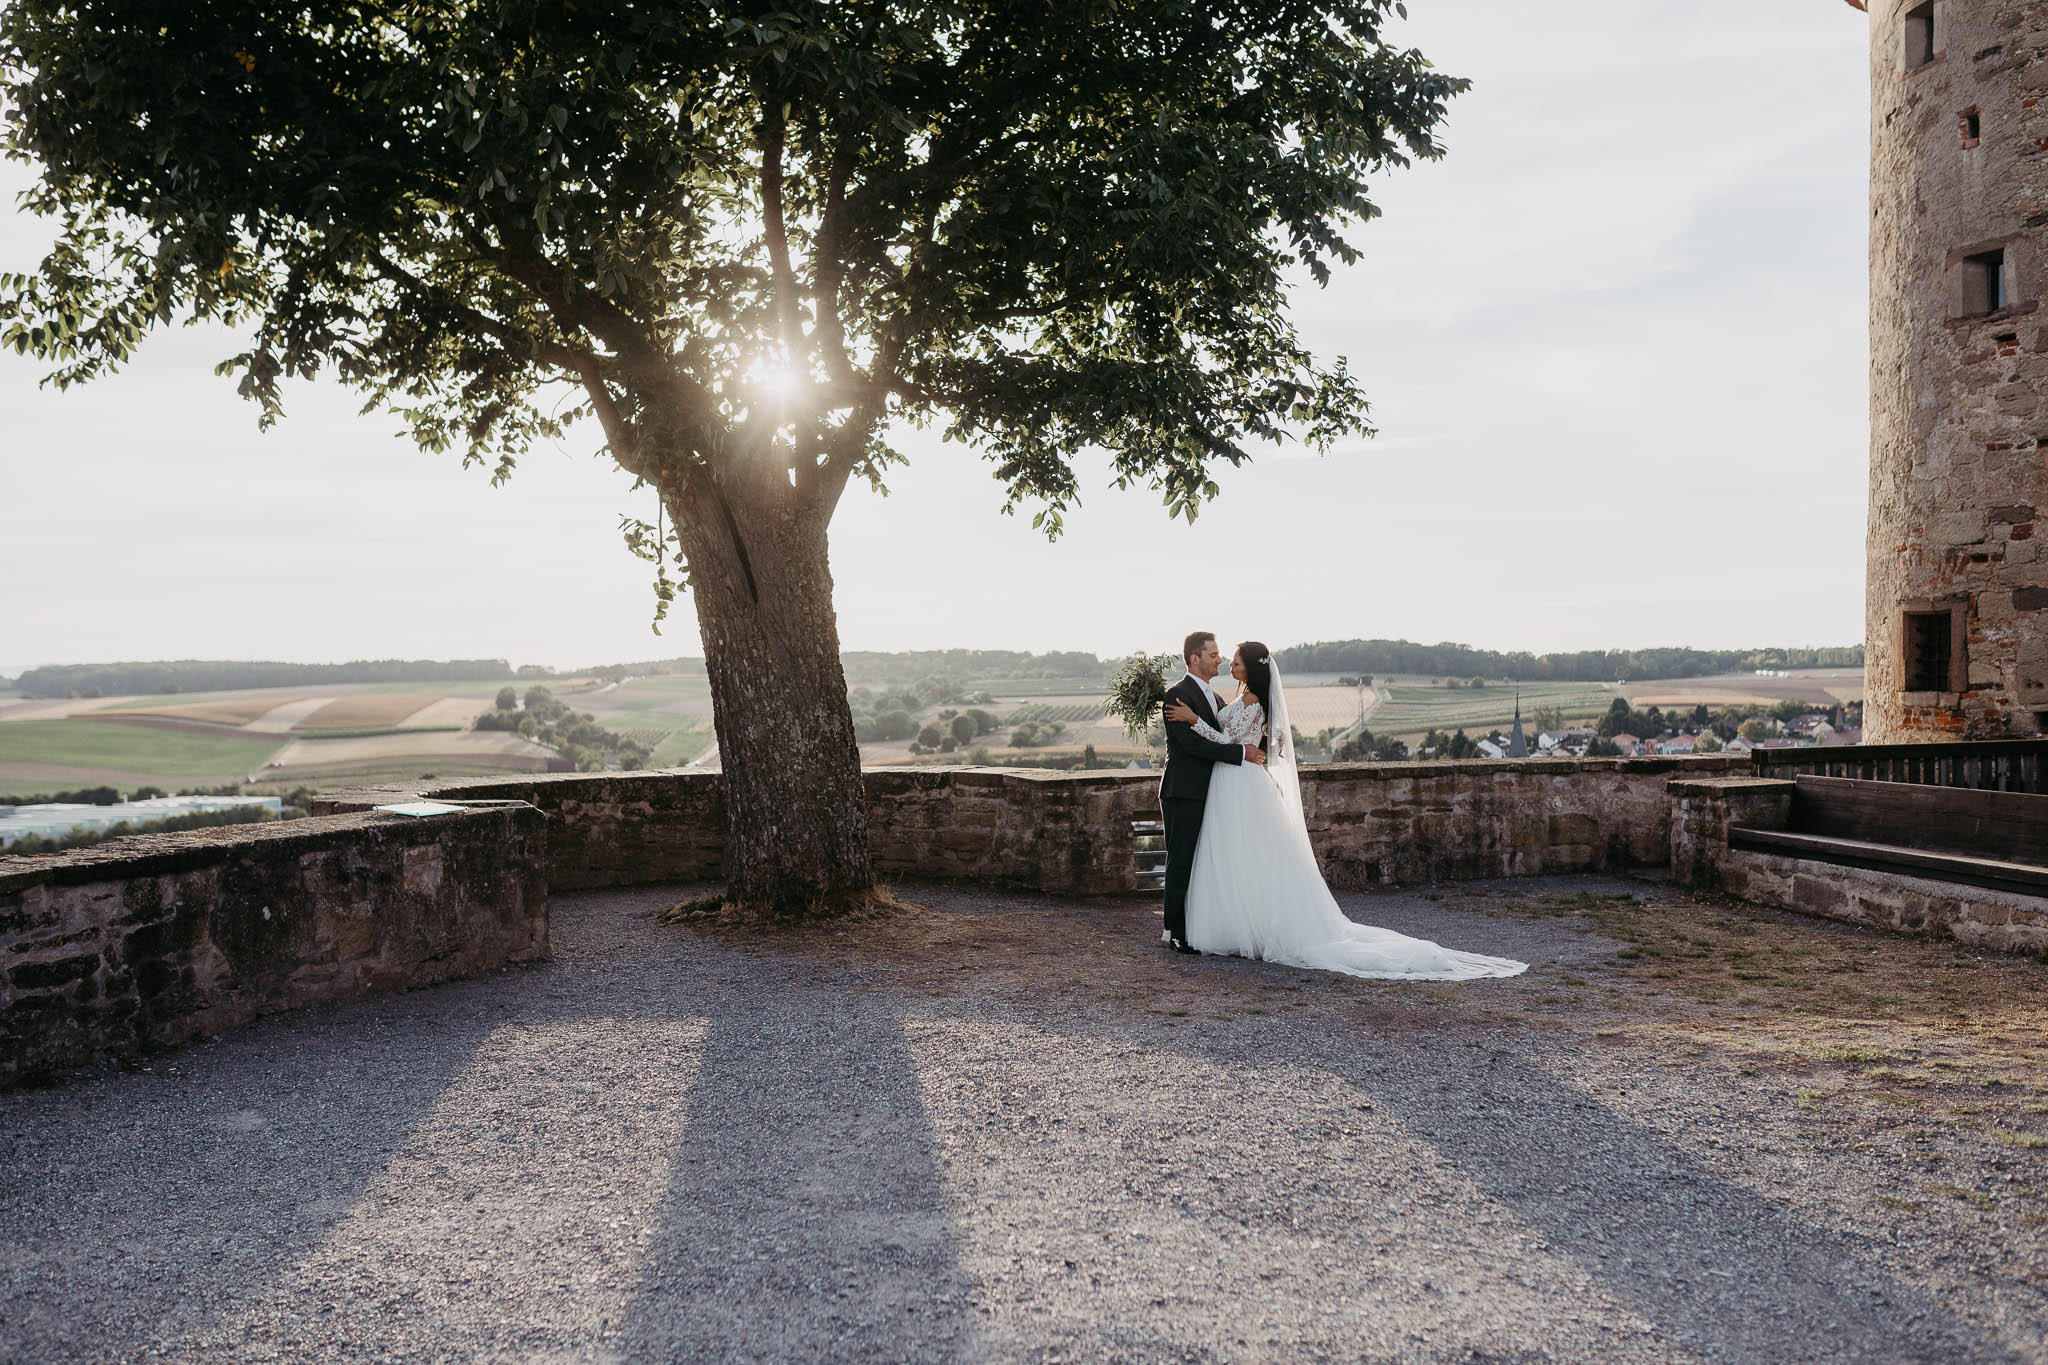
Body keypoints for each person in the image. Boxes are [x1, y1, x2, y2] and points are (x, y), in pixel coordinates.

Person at [1164, 642, 1527, 981]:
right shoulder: (1237, 698)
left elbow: (1228, 741)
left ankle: (1244, 925)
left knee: (1245, 854)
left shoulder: (1252, 701)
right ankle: (1230, 922)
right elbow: (1243, 740)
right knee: (1237, 855)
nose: (1228, 663)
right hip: (1233, 781)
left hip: (1239, 781)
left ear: (1250, 669)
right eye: (1222, 657)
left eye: (1235, 661)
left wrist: (1195, 721)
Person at [1157, 631, 1266, 953]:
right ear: (1195, 658)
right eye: (1214, 654)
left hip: (1215, 792)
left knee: (1207, 863)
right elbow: (1191, 745)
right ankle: (1175, 931)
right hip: (1184, 791)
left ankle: (1202, 928)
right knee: (1181, 861)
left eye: (1221, 655)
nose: (1220, 660)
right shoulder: (1176, 695)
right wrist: (1241, 753)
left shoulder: (1217, 699)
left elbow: (1226, 733)